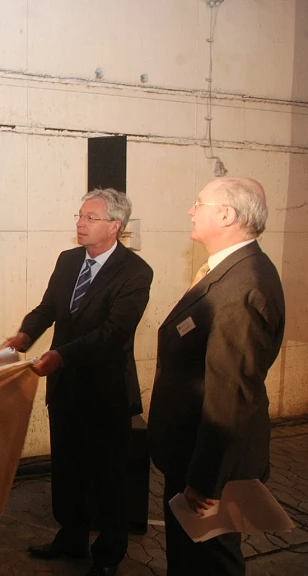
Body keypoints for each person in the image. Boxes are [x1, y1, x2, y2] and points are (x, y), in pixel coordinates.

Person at [6, 188, 153, 576]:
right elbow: (48, 308)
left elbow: (114, 331)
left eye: (90, 218)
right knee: (68, 471)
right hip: (65, 388)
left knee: (108, 477)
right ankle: (71, 538)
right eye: (80, 216)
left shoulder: (136, 272)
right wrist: (24, 336)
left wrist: (61, 355)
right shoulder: (69, 260)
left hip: (106, 393)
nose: (80, 224)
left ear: (115, 226)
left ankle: (108, 557)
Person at [148, 177, 285, 576]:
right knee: (188, 560)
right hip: (192, 453)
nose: (191, 210)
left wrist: (206, 481)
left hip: (209, 467)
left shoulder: (244, 286)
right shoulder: (228, 270)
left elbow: (231, 394)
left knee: (210, 564)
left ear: (226, 215)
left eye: (198, 203)